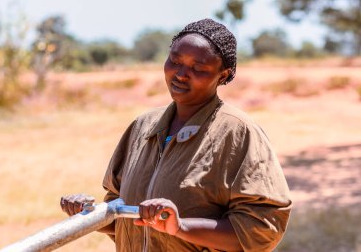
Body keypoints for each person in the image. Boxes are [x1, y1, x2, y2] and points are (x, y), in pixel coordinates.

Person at [60, 18, 292, 252]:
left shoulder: (238, 133)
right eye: (175, 60)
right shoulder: (142, 128)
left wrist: (180, 227)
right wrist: (89, 215)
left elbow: (263, 228)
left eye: (198, 68)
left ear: (223, 75)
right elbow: (122, 216)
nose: (181, 74)